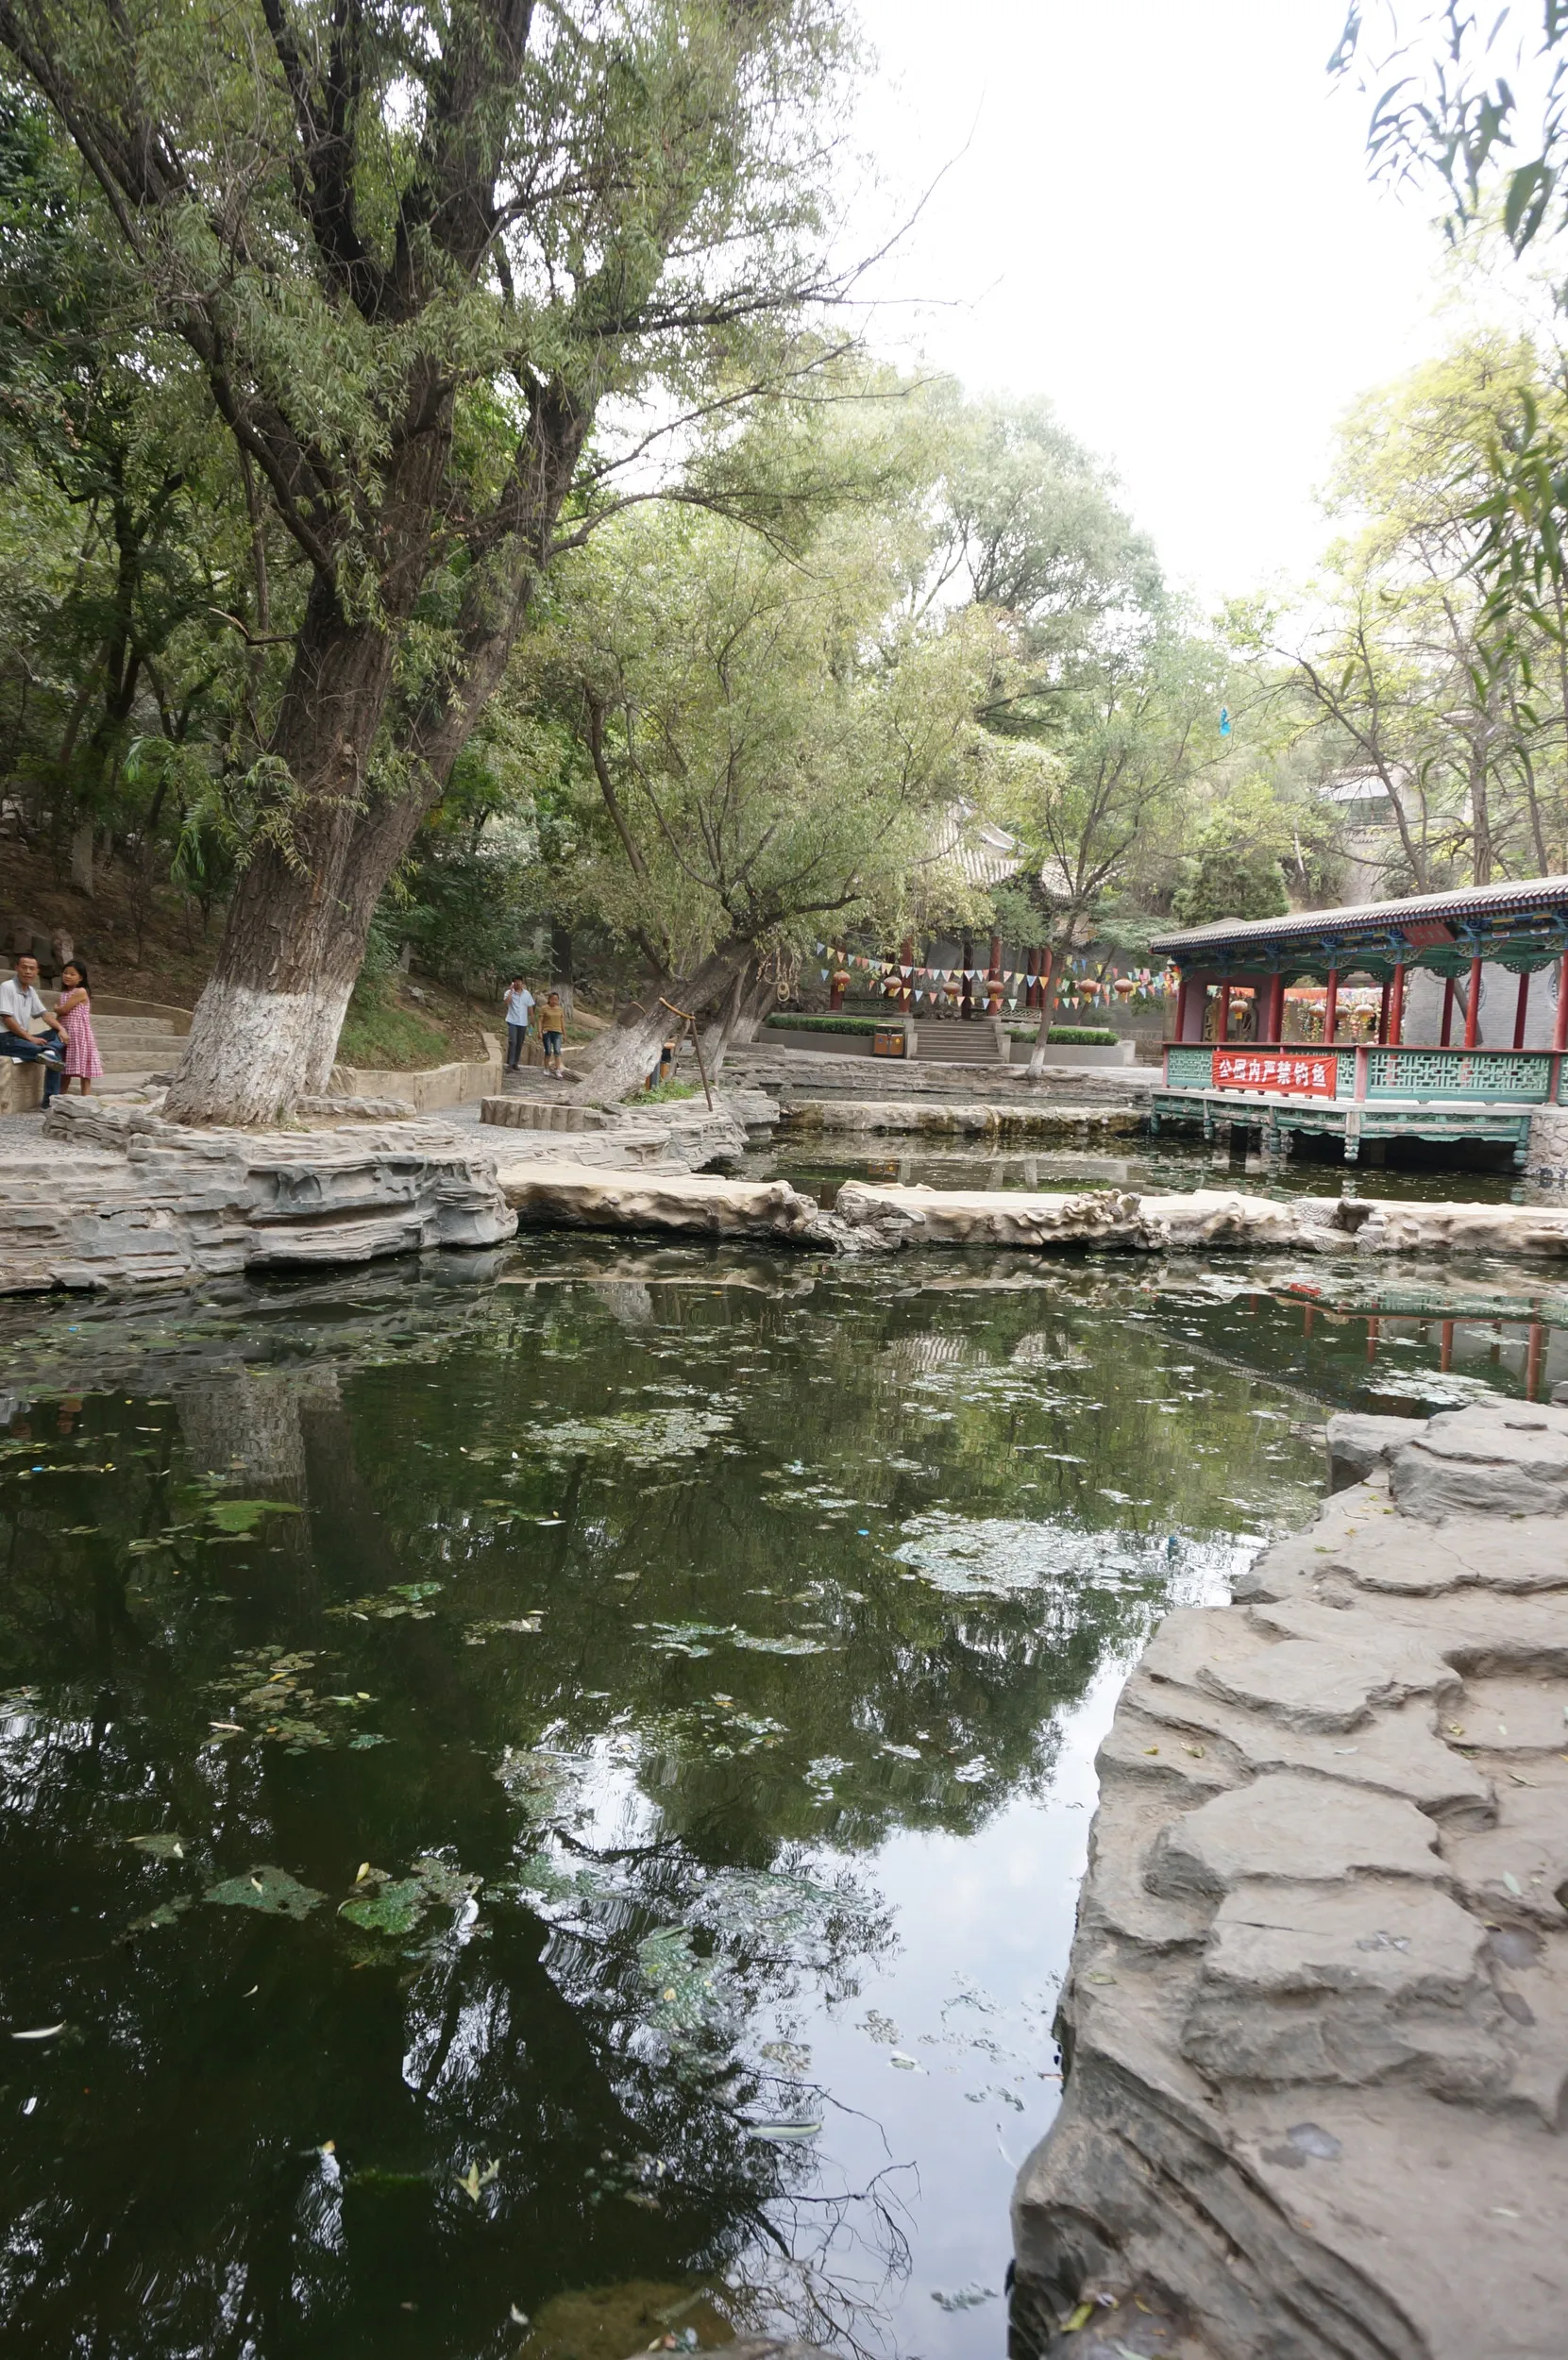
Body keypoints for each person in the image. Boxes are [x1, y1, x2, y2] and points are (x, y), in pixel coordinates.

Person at [0, 953, 67, 1104]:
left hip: (21, 1037)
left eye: (32, 968)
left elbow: (45, 1015)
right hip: (5, 1039)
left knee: (56, 1033)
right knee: (55, 1060)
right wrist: (30, 1038)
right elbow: (7, 1018)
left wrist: (62, 1029)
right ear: (17, 968)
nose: (28, 971)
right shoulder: (7, 987)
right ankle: (49, 1103)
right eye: (24, 967)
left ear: (37, 971)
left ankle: (49, 1051)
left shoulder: (30, 991)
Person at [54, 960, 103, 1095]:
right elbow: (60, 1014)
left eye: (72, 974)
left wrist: (55, 1008)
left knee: (84, 1070)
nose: (67, 976)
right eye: (65, 973)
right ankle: (60, 1097)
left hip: (79, 1033)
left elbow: (63, 1010)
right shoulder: (63, 994)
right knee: (65, 1069)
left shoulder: (80, 991)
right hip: (65, 1032)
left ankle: (86, 1098)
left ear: (80, 978)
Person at [501, 975, 535, 1070]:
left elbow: (530, 1006)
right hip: (512, 1021)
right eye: (515, 982)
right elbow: (507, 1002)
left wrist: (532, 1017)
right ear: (513, 983)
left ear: (522, 982)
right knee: (513, 1041)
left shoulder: (527, 994)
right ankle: (510, 1063)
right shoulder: (509, 992)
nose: (517, 983)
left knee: (520, 1043)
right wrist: (511, 991)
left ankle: (516, 1062)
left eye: (519, 981)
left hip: (523, 1022)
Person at [539, 988, 566, 1078]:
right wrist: (539, 1032)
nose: (554, 1001)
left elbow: (562, 1022)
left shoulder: (560, 1010)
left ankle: (558, 1070)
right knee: (548, 1051)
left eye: (556, 999)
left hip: (557, 1032)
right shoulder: (544, 1008)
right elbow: (540, 1021)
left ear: (558, 1000)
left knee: (557, 1051)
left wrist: (564, 1034)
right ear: (549, 1000)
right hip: (547, 1031)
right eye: (552, 999)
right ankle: (546, 1068)